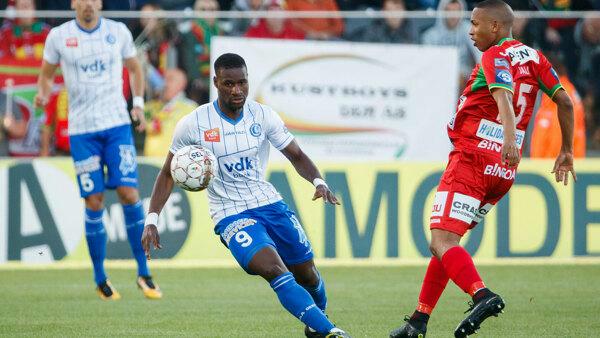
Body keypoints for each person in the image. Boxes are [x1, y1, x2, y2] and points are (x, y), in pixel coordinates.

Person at [389, 1, 576, 337]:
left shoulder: (494, 56)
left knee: (441, 241)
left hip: (474, 159)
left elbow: (503, 95)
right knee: (448, 244)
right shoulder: (536, 58)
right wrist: (566, 149)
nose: (470, 30)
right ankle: (418, 320)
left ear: (495, 26)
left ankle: (482, 295)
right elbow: (564, 100)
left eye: (475, 24)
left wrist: (507, 140)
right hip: (502, 174)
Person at [141, 53, 350, 338]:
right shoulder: (193, 124)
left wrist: (318, 181)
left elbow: (296, 155)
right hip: (230, 214)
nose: (236, 90)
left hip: (269, 203)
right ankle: (331, 332)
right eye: (228, 84)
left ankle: (317, 322)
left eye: (242, 83)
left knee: (308, 274)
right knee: (275, 269)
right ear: (216, 82)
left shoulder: (263, 115)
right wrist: (151, 219)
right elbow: (167, 173)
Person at [34, 0, 161, 300]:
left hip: (116, 126)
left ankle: (144, 273)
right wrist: (41, 95)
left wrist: (139, 106)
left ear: (100, 3)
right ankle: (100, 277)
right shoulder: (59, 37)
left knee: (129, 194)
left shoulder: (118, 32)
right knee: (94, 201)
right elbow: (46, 74)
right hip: (82, 132)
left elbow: (135, 69)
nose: (88, 4)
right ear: (74, 3)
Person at [421, 0, 481, 90]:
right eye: (449, 11)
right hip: (437, 72)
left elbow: (479, 52)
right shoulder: (429, 35)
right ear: (442, 12)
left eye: (457, 11)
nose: (453, 16)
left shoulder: (468, 29)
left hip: (463, 71)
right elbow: (426, 63)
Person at [144, 68, 197, 157]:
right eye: (163, 79)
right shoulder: (153, 106)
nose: (165, 83)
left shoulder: (191, 108)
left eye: (170, 79)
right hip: (149, 163)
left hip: (173, 166)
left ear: (181, 84)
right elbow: (140, 118)